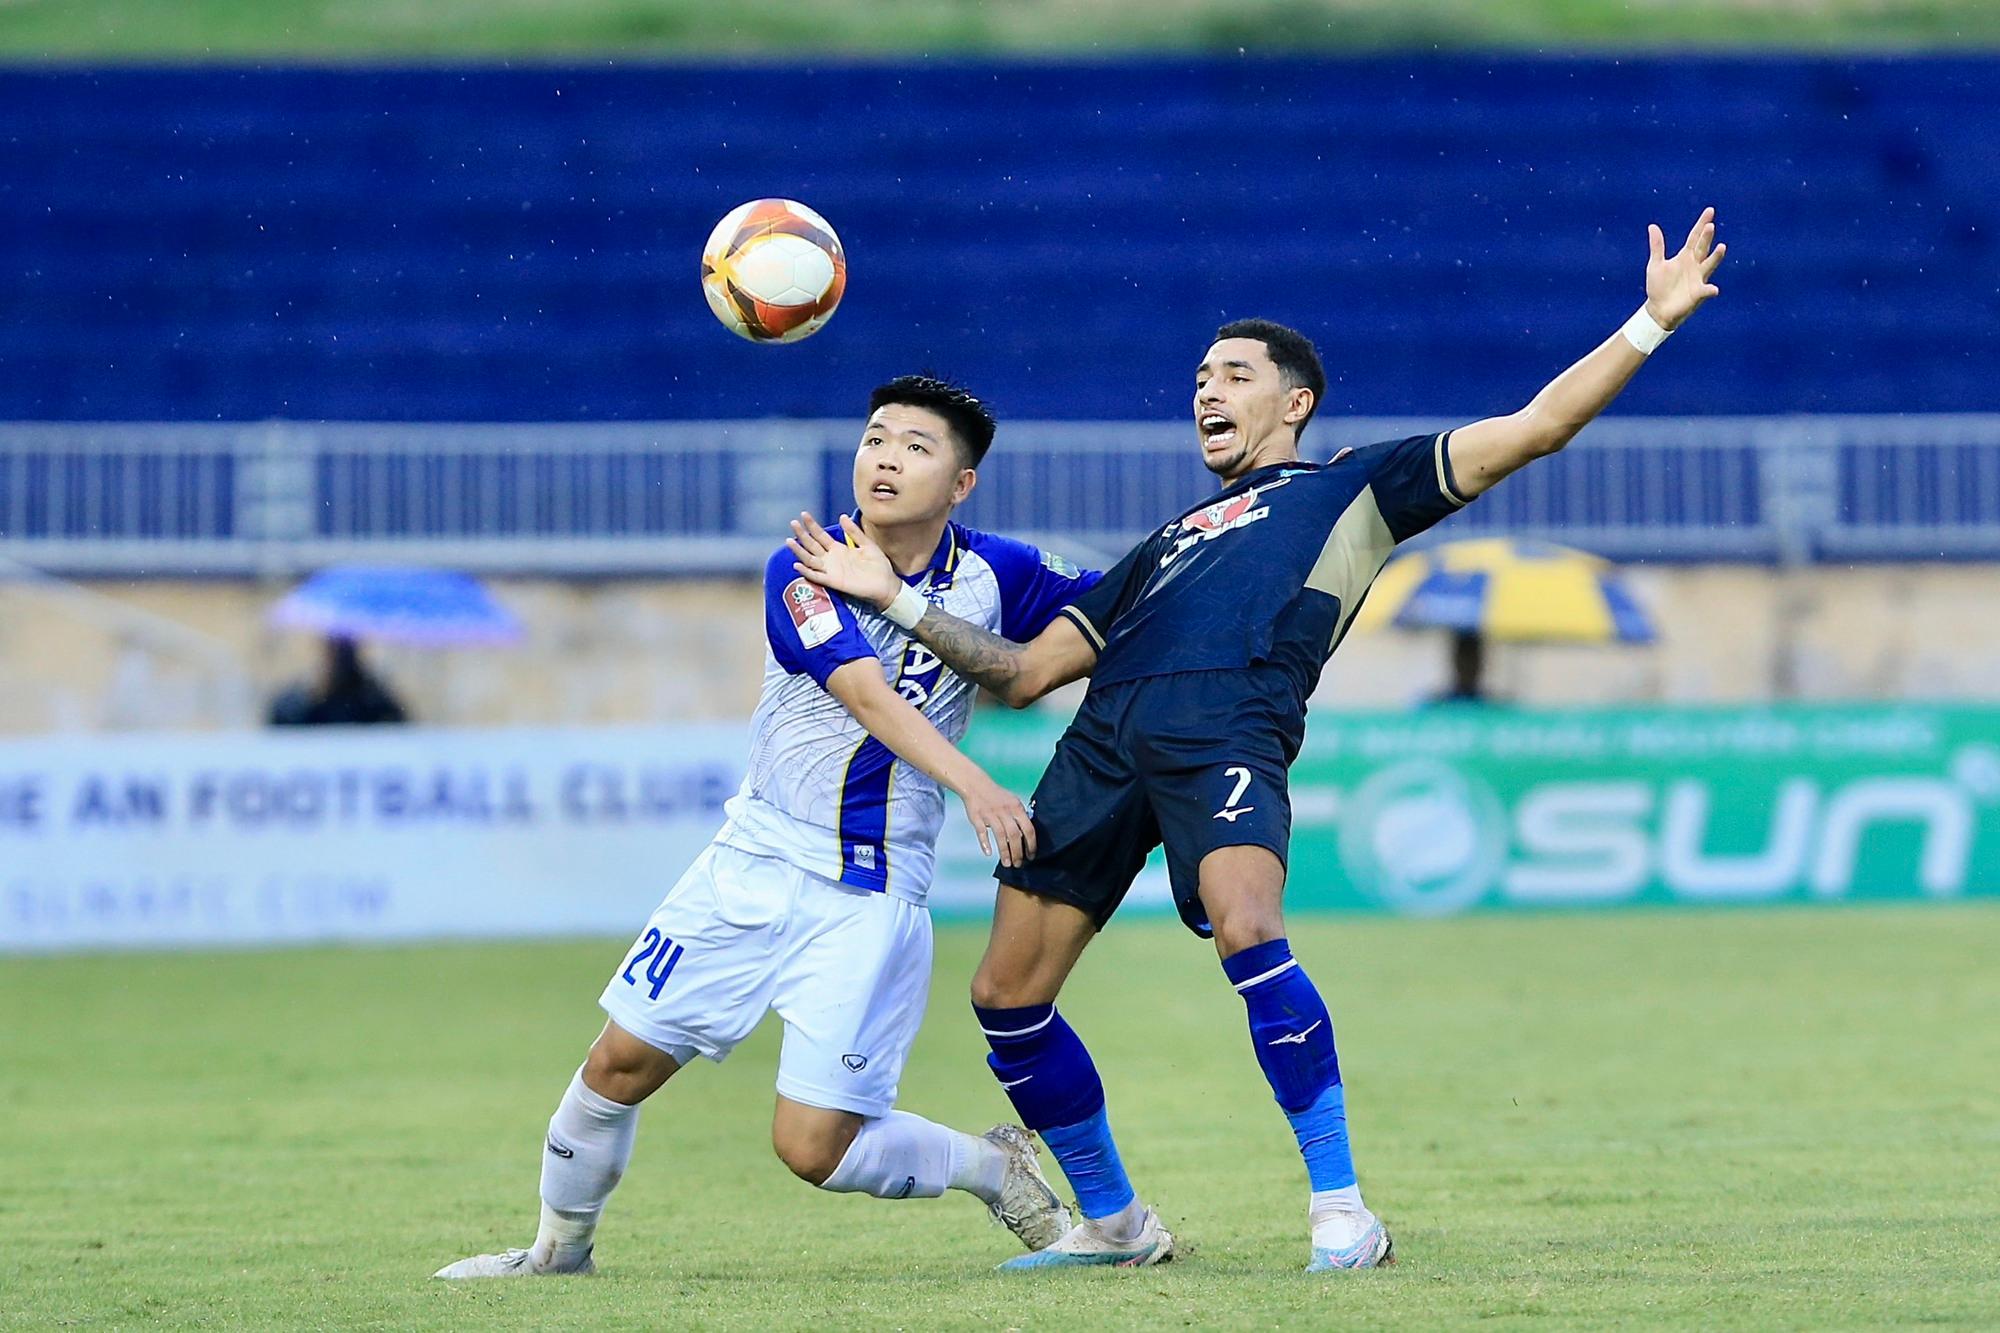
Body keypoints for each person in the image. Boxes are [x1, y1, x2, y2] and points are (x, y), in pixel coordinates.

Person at [787, 210, 1728, 1272]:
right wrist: (896, 603)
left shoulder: (1354, 490)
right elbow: (1020, 675)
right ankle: (1116, 1223)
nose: (1205, 391)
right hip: (1103, 744)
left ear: (1294, 401)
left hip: (1228, 723)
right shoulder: (1163, 542)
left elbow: (1536, 425)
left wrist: (1647, 325)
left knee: (1245, 927)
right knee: (1004, 996)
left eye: (1231, 374)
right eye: (1197, 376)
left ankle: (1339, 1210)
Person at [436, 375, 1101, 1279]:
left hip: (871, 895)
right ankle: (559, 1251)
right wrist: (977, 784)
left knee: (814, 1147)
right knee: (616, 1063)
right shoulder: (804, 561)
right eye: (875, 437)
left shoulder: (1001, 573)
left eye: (916, 445)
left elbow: (1112, 609)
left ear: (961, 483)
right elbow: (862, 690)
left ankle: (993, 1166)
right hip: (752, 860)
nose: (886, 457)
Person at [267, 635, 408, 726]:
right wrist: (311, 695)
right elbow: (280, 724)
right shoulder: (304, 696)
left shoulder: (372, 697)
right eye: (332, 647)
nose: (338, 656)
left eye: (343, 648)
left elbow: (397, 726)